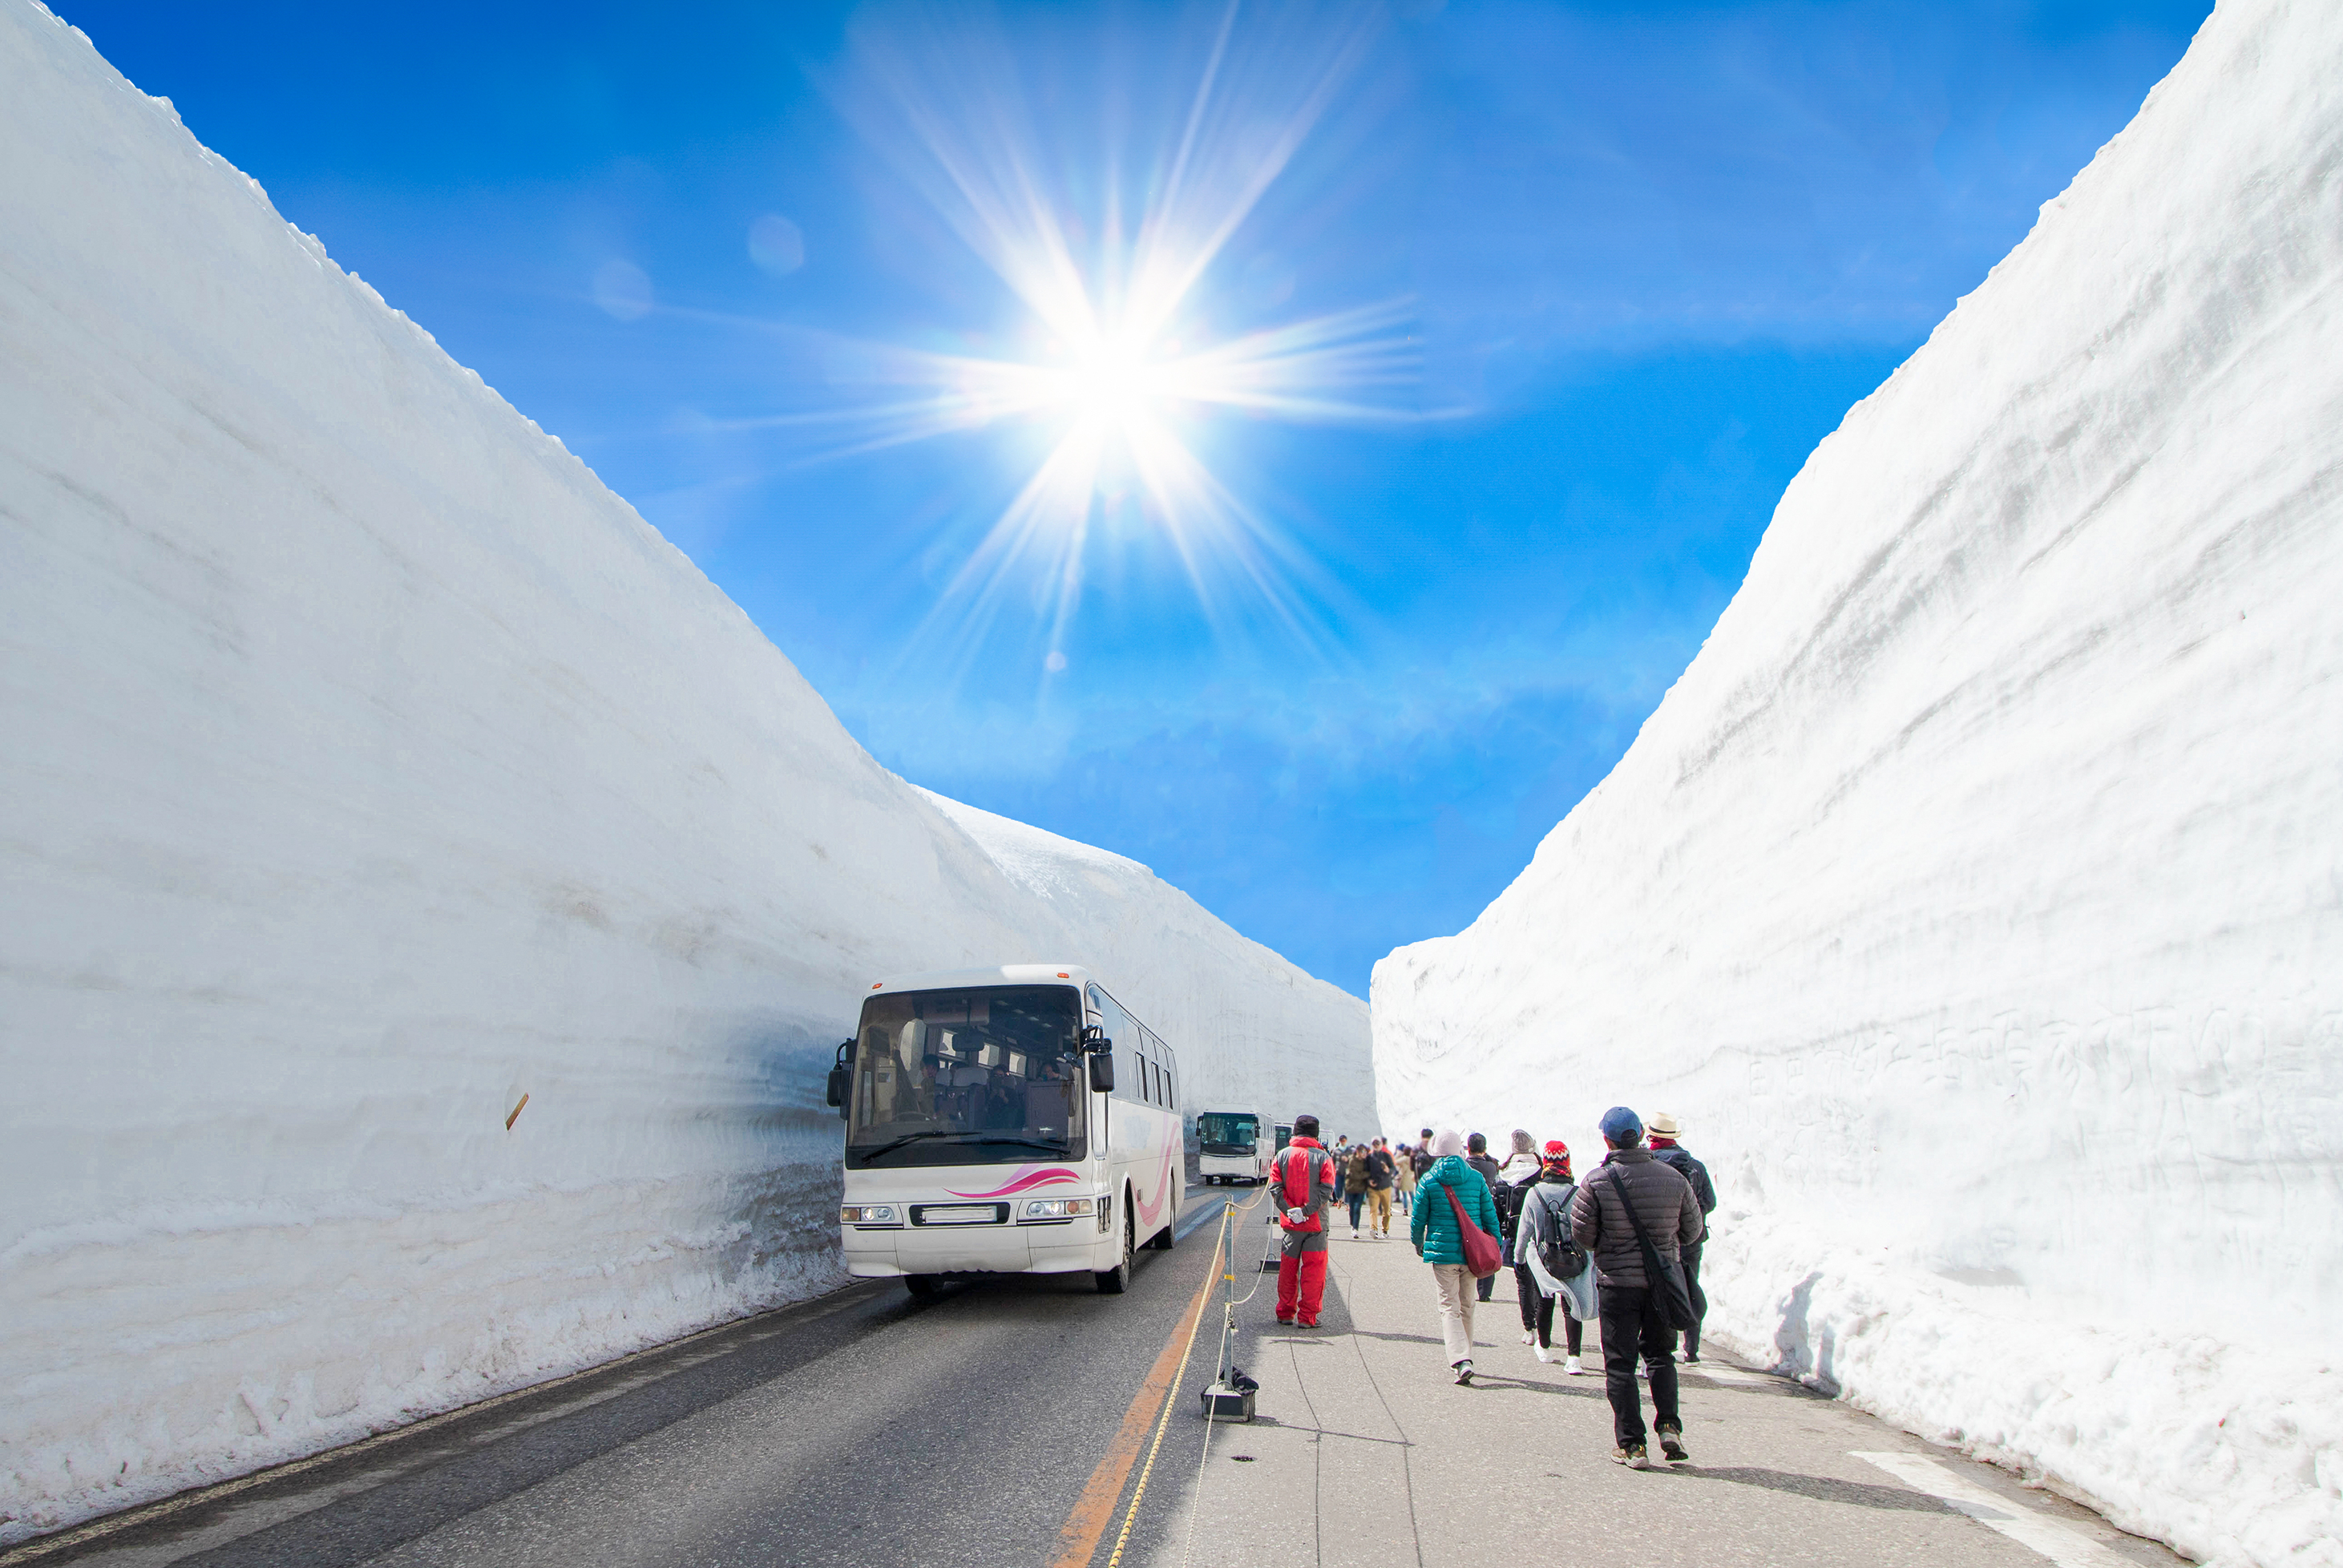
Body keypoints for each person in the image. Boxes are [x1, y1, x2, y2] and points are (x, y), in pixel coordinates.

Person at [1572, 1106, 1705, 1469]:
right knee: (1661, 1357)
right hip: (1662, 1284)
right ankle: (1670, 1426)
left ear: (1607, 1139)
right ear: (1641, 1135)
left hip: (1617, 1285)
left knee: (1620, 1364)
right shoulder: (1674, 1179)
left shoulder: (1597, 1181)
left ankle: (1632, 1445)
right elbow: (1691, 1231)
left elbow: (1583, 1236)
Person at [1410, 1129, 1501, 1384]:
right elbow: (1489, 1215)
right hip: (1472, 1253)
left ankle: (1461, 1360)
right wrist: (1496, 1243)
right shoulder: (1476, 1178)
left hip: (1443, 1253)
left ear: (1437, 1154)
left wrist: (1419, 1243)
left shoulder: (1429, 1180)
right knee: (1467, 1305)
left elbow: (1418, 1218)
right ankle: (1466, 1356)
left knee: (1449, 1306)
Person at [1512, 1141, 1594, 1373]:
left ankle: (1545, 1347)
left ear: (1545, 1164)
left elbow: (1524, 1233)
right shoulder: (1578, 1194)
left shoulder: (1534, 1194)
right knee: (1571, 1305)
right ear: (1567, 1162)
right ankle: (1574, 1358)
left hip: (1543, 1260)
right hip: (1574, 1259)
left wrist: (1518, 1260)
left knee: (1544, 1302)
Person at [1646, 1113, 1718, 1362]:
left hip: (1661, 1239)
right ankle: (1692, 1349)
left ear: (1652, 1138)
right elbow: (1710, 1201)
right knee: (1689, 1288)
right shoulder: (1695, 1166)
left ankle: (1662, 1344)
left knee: (1658, 1290)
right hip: (1692, 1239)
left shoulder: (1650, 1164)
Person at [1271, 1113, 1340, 1328]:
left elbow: (1275, 1187)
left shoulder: (1282, 1156)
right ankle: (1308, 1318)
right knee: (1314, 1272)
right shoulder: (1323, 1158)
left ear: (1295, 1131)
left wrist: (1291, 1210)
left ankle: (1285, 1313)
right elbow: (1326, 1190)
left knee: (1288, 1270)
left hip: (1291, 1226)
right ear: (1316, 1134)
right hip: (1316, 1225)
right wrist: (1306, 1211)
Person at [1464, 1134, 1505, 1302]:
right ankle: (1485, 1292)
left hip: (1467, 1211)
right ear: (1485, 1149)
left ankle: (1466, 1288)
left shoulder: (1465, 1166)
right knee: (1486, 1249)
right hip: (1486, 1211)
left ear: (1469, 1149)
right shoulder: (1491, 1167)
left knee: (1467, 1249)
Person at [1364, 1138, 1397, 1238]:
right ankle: (1373, 1229)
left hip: (1385, 1186)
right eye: (1374, 1144)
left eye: (1378, 1144)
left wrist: (1388, 1170)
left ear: (1381, 1145)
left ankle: (1385, 1230)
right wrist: (1368, 1181)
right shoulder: (1369, 1157)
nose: (1376, 1146)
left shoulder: (1387, 1156)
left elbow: (1393, 1169)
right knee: (1373, 1210)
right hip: (1373, 1187)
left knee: (1386, 1211)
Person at [1343, 1141, 1373, 1239]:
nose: (1365, 1154)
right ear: (1358, 1152)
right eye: (1363, 1152)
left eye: (1366, 1152)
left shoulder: (1366, 1161)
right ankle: (1352, 1225)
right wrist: (1366, 1175)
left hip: (1361, 1188)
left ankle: (1355, 1228)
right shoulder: (1352, 1160)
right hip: (1351, 1187)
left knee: (1357, 1208)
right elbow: (1354, 1175)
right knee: (1352, 1208)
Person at [1392, 1141, 1419, 1214]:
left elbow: (1394, 1162)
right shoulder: (1413, 1158)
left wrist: (1397, 1155)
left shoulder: (1403, 1159)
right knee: (1412, 1195)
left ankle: (1405, 1210)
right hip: (1411, 1178)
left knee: (1404, 1195)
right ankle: (1414, 1209)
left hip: (1403, 1178)